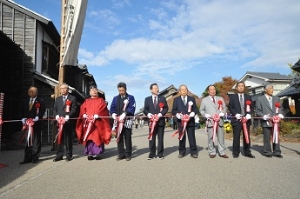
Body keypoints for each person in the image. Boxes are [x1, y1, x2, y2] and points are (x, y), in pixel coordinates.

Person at [75, 86, 111, 160]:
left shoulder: (101, 100)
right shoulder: (86, 101)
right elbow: (82, 108)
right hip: (88, 123)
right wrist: (84, 114)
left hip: (97, 123)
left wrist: (98, 114)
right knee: (89, 138)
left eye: (95, 90)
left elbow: (103, 109)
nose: (94, 91)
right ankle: (90, 153)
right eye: (92, 90)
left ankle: (97, 153)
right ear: (89, 92)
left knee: (97, 137)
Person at [255, 84, 284, 158]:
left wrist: (280, 114)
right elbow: (258, 110)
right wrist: (263, 116)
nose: (272, 90)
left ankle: (277, 151)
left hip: (276, 121)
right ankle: (267, 151)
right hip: (266, 120)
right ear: (265, 90)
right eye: (270, 88)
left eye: (272, 88)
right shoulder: (260, 99)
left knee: (276, 136)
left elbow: (280, 108)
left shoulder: (277, 98)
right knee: (267, 137)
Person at [200, 85, 228, 158]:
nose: (212, 91)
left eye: (214, 89)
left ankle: (222, 152)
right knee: (211, 137)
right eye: (211, 89)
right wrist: (205, 115)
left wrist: (223, 113)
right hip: (210, 121)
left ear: (215, 90)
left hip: (220, 120)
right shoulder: (204, 100)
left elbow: (225, 108)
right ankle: (212, 151)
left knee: (221, 137)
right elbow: (201, 110)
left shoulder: (220, 99)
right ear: (208, 91)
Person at [228, 82, 255, 158]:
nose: (241, 87)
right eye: (239, 86)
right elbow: (230, 107)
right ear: (236, 88)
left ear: (244, 87)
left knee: (246, 136)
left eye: (242, 86)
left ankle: (247, 151)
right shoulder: (233, 97)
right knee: (236, 137)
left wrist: (249, 113)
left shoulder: (248, 97)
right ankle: (236, 152)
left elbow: (252, 107)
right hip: (237, 120)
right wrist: (235, 114)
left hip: (246, 120)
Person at [110, 82, 136, 161]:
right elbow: (112, 108)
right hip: (118, 120)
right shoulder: (115, 98)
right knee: (119, 137)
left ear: (125, 89)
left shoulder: (130, 98)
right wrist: (113, 113)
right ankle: (121, 153)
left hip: (127, 120)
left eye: (122, 90)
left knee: (127, 137)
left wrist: (125, 113)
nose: (121, 92)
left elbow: (132, 107)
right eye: (119, 90)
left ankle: (128, 154)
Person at [19, 86, 46, 164]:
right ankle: (27, 158)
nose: (32, 93)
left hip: (36, 123)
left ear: (37, 92)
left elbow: (42, 110)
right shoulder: (25, 101)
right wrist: (23, 118)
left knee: (36, 141)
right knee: (28, 140)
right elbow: (21, 110)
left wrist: (38, 116)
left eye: (34, 91)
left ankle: (35, 157)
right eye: (30, 91)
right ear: (28, 92)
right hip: (27, 124)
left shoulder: (41, 101)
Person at [171, 84, 198, 158]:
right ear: (179, 91)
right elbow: (173, 110)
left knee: (191, 137)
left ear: (187, 90)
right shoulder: (176, 100)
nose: (184, 91)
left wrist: (193, 113)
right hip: (181, 122)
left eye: (185, 89)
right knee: (182, 137)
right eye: (182, 90)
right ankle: (182, 152)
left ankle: (193, 152)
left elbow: (195, 109)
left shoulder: (192, 99)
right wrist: (177, 115)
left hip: (190, 121)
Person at [143, 83, 168, 160]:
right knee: (152, 138)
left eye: (157, 88)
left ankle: (160, 153)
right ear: (151, 90)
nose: (157, 89)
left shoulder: (162, 98)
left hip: (160, 121)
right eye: (155, 88)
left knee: (160, 138)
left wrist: (161, 114)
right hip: (152, 122)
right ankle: (152, 154)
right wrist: (149, 114)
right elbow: (145, 109)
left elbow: (166, 108)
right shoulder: (147, 99)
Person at [53, 83, 78, 162]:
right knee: (60, 138)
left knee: (68, 138)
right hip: (59, 122)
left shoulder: (72, 98)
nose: (63, 90)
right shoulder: (58, 99)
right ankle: (59, 155)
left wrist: (68, 116)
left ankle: (68, 155)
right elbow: (55, 109)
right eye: (61, 89)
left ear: (68, 89)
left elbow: (74, 109)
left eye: (64, 88)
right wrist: (56, 116)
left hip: (68, 122)